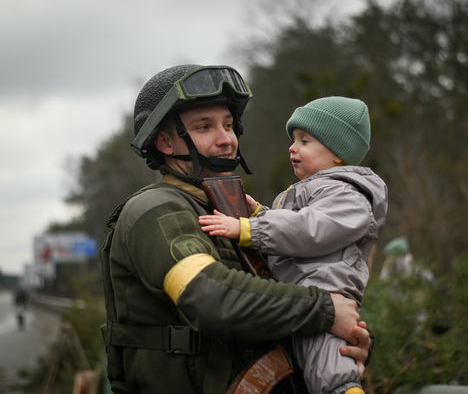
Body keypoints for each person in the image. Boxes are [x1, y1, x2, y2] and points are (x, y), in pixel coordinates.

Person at [100, 65, 372, 394]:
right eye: (205, 127)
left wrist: (345, 345)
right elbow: (209, 298)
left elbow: (296, 290)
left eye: (229, 125)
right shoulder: (154, 210)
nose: (226, 139)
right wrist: (324, 310)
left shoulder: (238, 213)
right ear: (165, 142)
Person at [199, 96, 388, 394]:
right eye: (293, 139)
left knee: (331, 373)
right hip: (304, 299)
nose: (292, 147)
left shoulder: (349, 195)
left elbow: (309, 229)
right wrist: (261, 213)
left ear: (338, 152)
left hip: (326, 296)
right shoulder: (315, 189)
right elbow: (297, 225)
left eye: (305, 140)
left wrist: (248, 228)